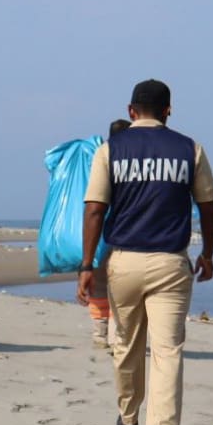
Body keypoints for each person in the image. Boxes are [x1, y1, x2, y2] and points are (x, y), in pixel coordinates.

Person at [77, 79, 213, 425]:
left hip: (124, 260)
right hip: (170, 262)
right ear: (168, 110)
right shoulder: (189, 149)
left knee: (126, 343)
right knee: (167, 349)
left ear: (131, 111)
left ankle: (128, 417)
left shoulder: (110, 150)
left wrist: (87, 265)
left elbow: (94, 209)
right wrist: (207, 252)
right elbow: (208, 205)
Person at [85, 118, 131, 349]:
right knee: (120, 289)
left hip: (95, 237)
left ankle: (99, 333)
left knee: (98, 287)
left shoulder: (98, 159)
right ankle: (115, 336)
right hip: (123, 237)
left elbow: (91, 206)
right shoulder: (131, 162)